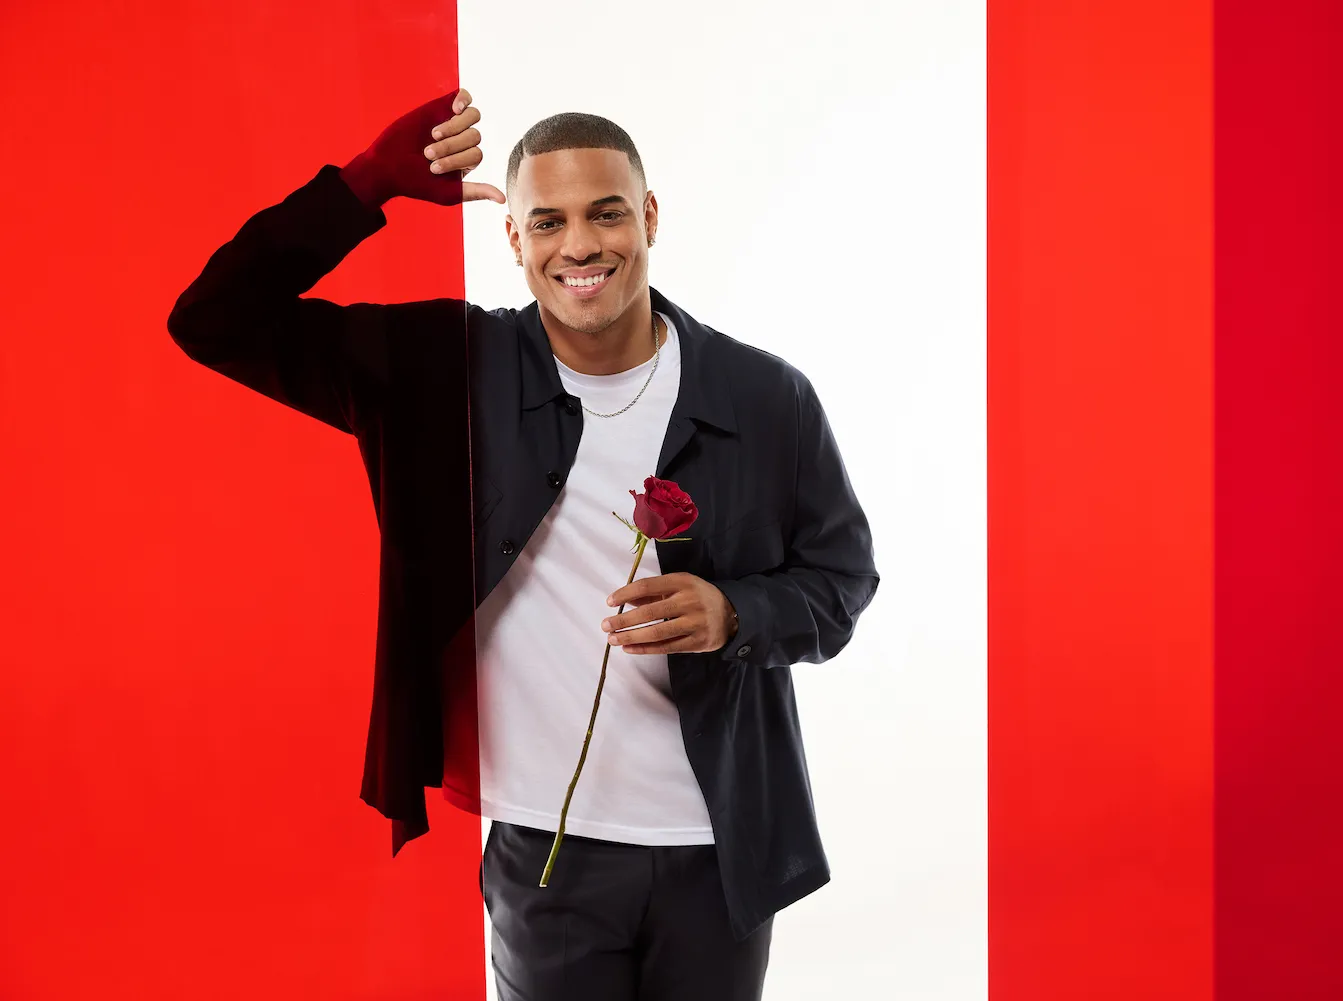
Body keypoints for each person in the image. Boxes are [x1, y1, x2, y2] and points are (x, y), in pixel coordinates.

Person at [168, 87, 878, 1000]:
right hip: (548, 855)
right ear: (515, 240)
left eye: (606, 213)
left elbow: (842, 579)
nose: (580, 245)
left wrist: (734, 611)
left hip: (721, 847)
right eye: (547, 221)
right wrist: (367, 185)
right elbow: (212, 319)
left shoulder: (764, 395)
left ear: (650, 217)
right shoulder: (440, 371)